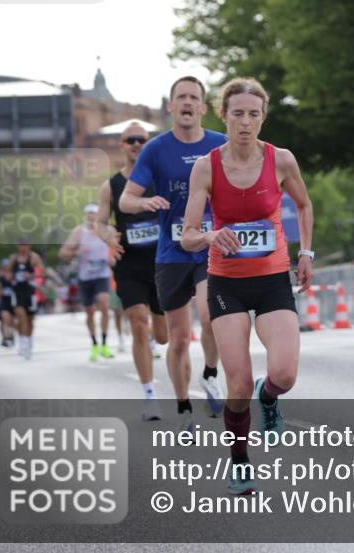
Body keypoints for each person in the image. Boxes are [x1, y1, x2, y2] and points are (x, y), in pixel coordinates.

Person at [181, 77, 314, 495]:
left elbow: (305, 204)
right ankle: (239, 460)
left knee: (285, 374)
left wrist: (306, 253)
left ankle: (269, 397)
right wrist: (207, 236)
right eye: (237, 113)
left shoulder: (282, 160)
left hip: (273, 280)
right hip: (227, 284)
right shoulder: (207, 166)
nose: (245, 122)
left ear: (263, 118)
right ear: (224, 116)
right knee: (236, 384)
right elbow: (186, 234)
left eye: (253, 114)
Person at [119, 76, 226, 433]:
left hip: (211, 247)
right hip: (173, 252)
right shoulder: (155, 149)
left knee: (211, 316)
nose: (187, 103)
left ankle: (211, 374)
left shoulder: (219, 145)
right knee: (178, 338)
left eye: (194, 97)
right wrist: (144, 200)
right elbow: (125, 199)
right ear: (170, 106)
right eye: (181, 97)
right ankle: (183, 407)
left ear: (203, 108)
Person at [96, 121, 171, 421]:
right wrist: (108, 237)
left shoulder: (161, 178)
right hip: (129, 265)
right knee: (138, 323)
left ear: (149, 143)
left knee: (163, 337)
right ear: (122, 145)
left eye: (142, 139)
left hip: (163, 264)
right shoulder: (111, 185)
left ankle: (153, 337)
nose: (137, 144)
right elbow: (100, 222)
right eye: (131, 140)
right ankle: (150, 395)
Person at [59, 203, 114, 360]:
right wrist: (77, 251)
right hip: (85, 277)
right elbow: (62, 253)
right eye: (89, 214)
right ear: (85, 216)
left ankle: (104, 343)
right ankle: (95, 344)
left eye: (94, 213)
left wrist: (114, 257)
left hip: (102, 275)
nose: (92, 216)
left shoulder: (108, 231)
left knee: (104, 303)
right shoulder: (79, 232)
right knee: (89, 312)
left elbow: (119, 247)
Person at [8, 238, 45, 359]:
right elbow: (7, 273)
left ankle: (28, 341)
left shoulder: (34, 257)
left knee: (30, 320)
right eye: (21, 245)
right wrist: (11, 277)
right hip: (17, 292)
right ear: (18, 245)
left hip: (30, 292)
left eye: (26, 245)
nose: (24, 247)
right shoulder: (13, 258)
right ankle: (23, 343)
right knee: (21, 317)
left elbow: (42, 272)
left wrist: (32, 275)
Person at [0, 260, 16, 347]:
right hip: (4, 301)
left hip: (14, 301)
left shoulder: (14, 276)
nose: (6, 267)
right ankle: (6, 337)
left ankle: (10, 335)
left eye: (8, 265)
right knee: (5, 319)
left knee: (12, 321)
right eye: (5, 265)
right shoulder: (0, 277)